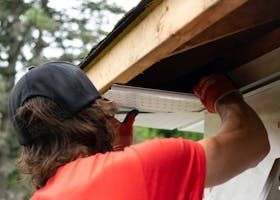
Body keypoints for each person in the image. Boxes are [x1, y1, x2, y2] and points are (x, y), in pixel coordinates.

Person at [8, 61, 270, 200]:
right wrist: (225, 98)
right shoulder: (142, 167)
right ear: (95, 114)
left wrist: (117, 152)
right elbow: (251, 142)